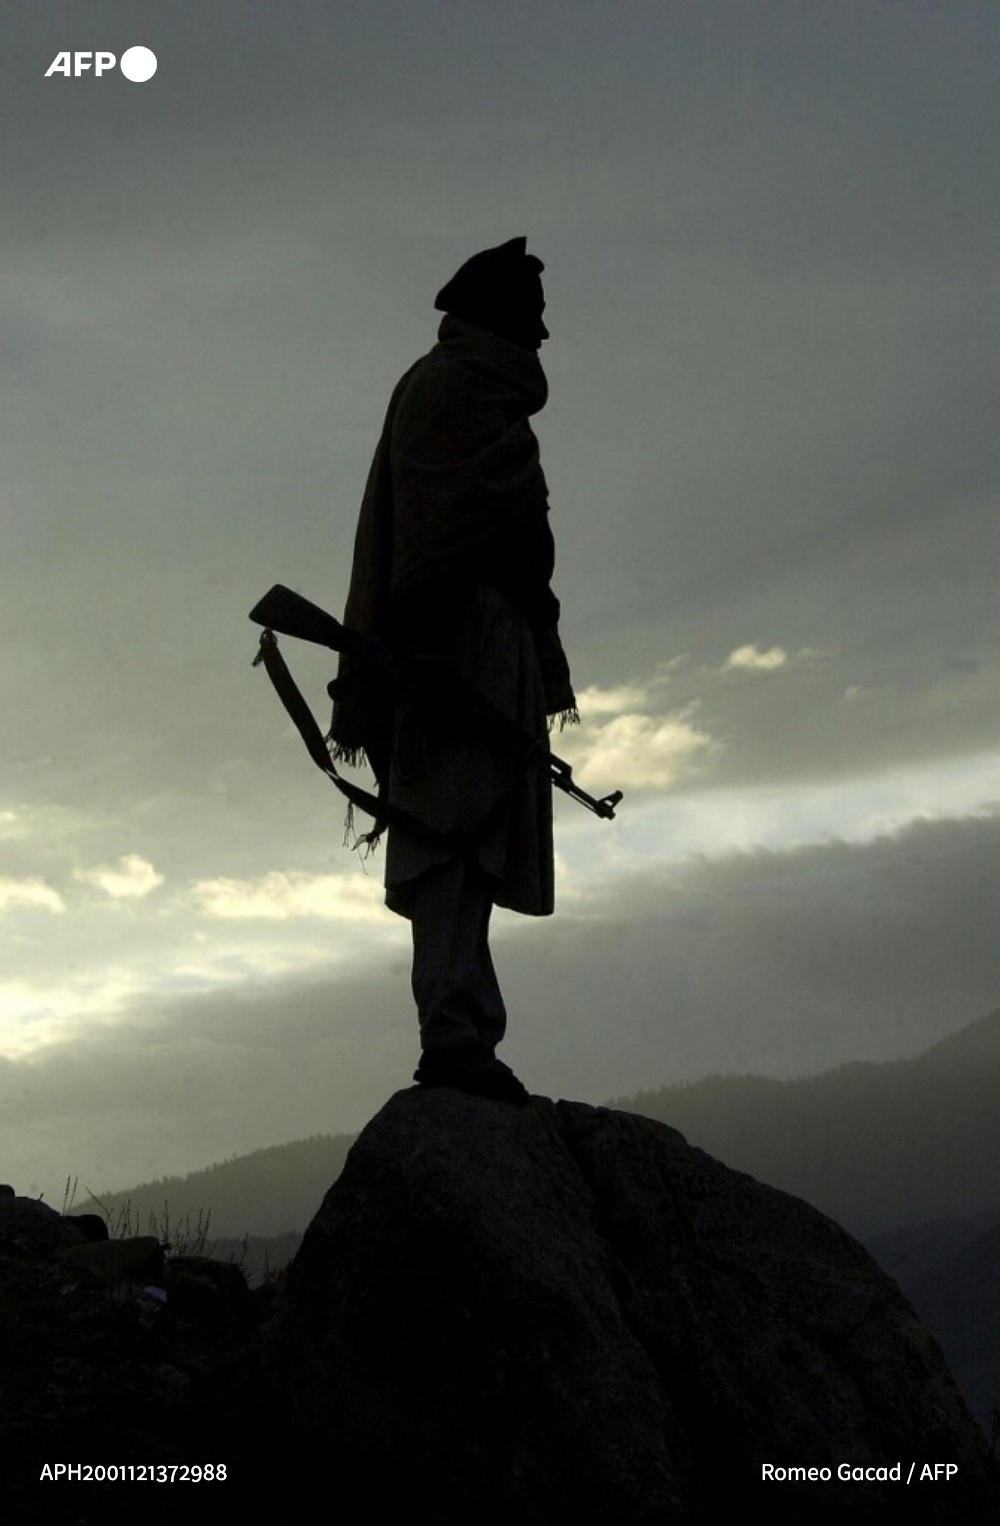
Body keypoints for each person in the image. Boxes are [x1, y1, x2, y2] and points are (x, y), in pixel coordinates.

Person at [329, 238, 576, 1103]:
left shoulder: (473, 392)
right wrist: (432, 661)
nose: (542, 333)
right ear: (500, 316)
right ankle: (453, 1033)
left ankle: (465, 1026)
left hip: (477, 645)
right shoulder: (450, 390)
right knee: (450, 843)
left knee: (471, 846)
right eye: (531, 315)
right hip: (452, 650)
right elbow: (438, 535)